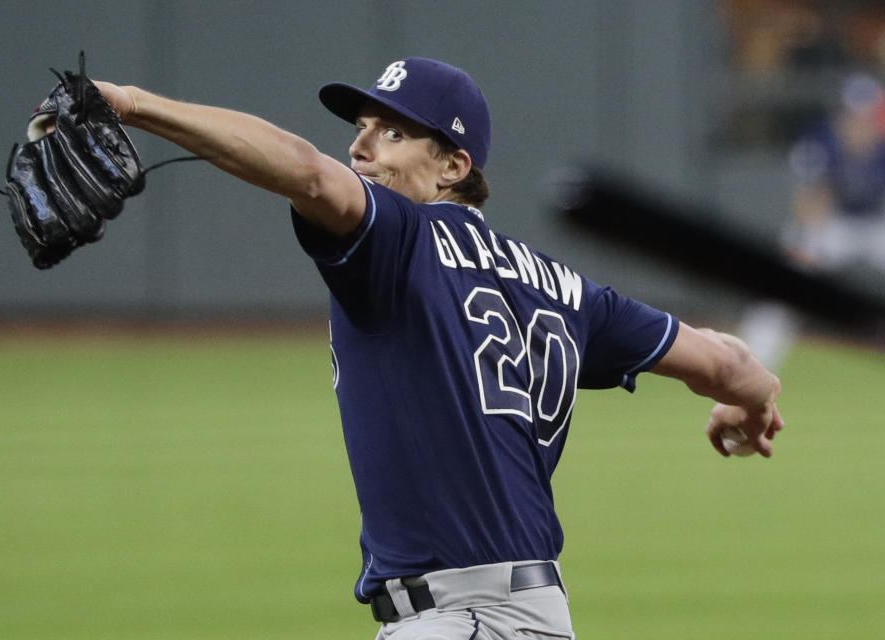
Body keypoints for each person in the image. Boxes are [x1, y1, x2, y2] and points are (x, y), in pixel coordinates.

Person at [92, 58, 783, 639]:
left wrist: (129, 103)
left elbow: (305, 171)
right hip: (540, 617)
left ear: (453, 166)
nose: (361, 148)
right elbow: (729, 365)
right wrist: (748, 409)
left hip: (459, 620)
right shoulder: (568, 291)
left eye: (392, 132)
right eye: (360, 130)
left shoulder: (398, 239)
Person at [740, 72, 885, 369]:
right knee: (788, 274)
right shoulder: (822, 141)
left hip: (876, 224)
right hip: (832, 223)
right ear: (840, 116)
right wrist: (810, 247)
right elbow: (808, 204)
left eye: (867, 117)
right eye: (853, 115)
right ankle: (749, 363)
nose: (859, 123)